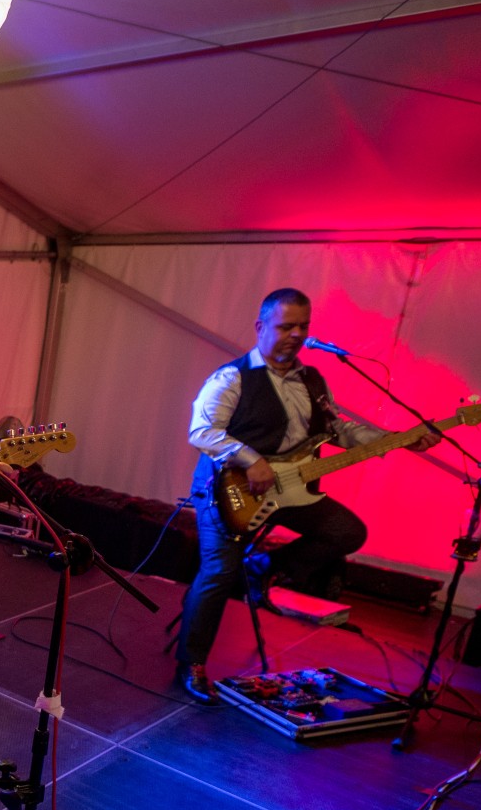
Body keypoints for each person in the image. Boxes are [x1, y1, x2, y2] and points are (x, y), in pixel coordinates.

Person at [173, 288, 435, 704]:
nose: (296, 335)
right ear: (260, 327)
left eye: (303, 326)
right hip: (229, 491)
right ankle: (191, 664)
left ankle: (262, 567)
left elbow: (338, 429)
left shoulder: (312, 380)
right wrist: (250, 459)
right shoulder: (232, 377)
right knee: (219, 572)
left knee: (346, 532)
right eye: (286, 326)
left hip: (291, 489)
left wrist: (396, 439)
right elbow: (202, 431)